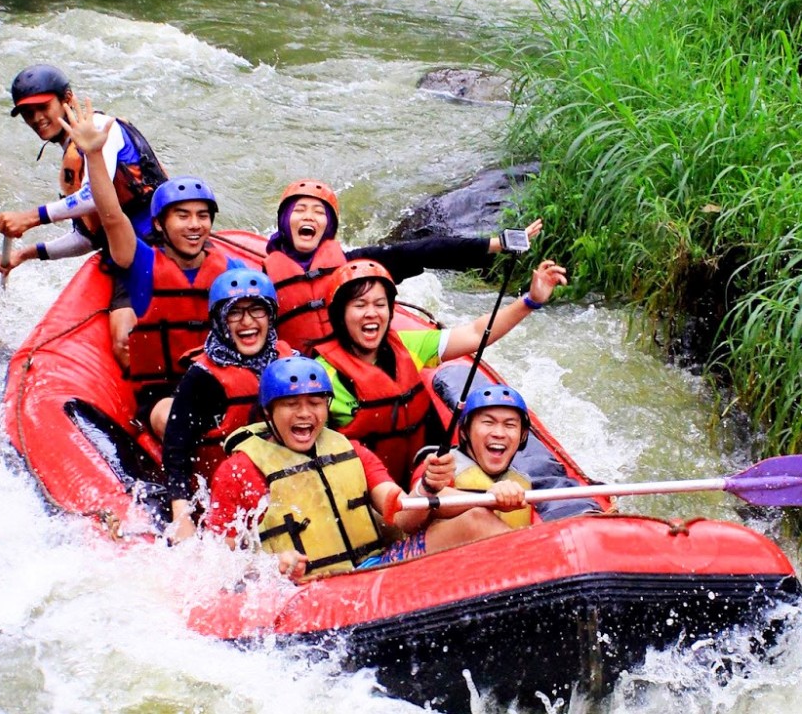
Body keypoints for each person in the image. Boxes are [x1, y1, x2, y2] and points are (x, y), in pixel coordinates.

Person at [204, 357, 521, 582]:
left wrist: (428, 487)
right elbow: (217, 561)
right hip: (308, 591)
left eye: (315, 402)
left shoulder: (351, 450)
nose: (305, 413)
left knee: (477, 520)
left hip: (375, 568)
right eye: (291, 404)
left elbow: (403, 518)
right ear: (269, 411)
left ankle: (551, 587)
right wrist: (273, 568)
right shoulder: (240, 470)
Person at [57, 97, 245, 437]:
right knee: (177, 417)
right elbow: (112, 215)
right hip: (165, 393)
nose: (194, 225)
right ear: (160, 224)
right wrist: (95, 157)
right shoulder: (142, 263)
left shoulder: (230, 269)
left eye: (202, 216)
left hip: (219, 383)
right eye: (183, 216)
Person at [313, 256, 567, 487]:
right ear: (340, 314)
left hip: (422, 475)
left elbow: (476, 334)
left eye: (380, 304)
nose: (372, 313)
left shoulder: (409, 345)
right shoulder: (322, 376)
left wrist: (530, 301)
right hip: (365, 490)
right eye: (360, 305)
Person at [0, 64, 168, 369]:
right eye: (27, 113)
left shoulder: (103, 128)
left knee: (129, 337)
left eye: (42, 107)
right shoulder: (71, 159)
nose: (36, 119)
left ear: (67, 99)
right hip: (126, 253)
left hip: (160, 242)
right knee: (123, 341)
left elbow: (91, 198)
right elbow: (87, 237)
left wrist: (31, 218)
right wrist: (27, 254)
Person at [264, 179, 541, 354]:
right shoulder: (262, 278)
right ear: (285, 220)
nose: (308, 216)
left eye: (318, 212)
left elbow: (422, 251)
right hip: (295, 376)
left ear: (331, 226)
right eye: (299, 210)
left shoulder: (355, 266)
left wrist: (495, 244)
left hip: (349, 363)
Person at [161, 269, 295, 542]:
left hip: (285, 485)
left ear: (270, 316)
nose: (247, 321)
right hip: (227, 502)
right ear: (220, 321)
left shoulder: (290, 361)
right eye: (235, 312)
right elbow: (177, 451)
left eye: (257, 310)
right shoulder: (202, 379)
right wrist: (182, 514)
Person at [451, 384, 534, 529]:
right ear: (464, 431)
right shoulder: (439, 467)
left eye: (510, 425)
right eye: (488, 422)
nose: (499, 433)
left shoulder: (523, 481)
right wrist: (485, 498)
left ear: (523, 435)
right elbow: (411, 516)